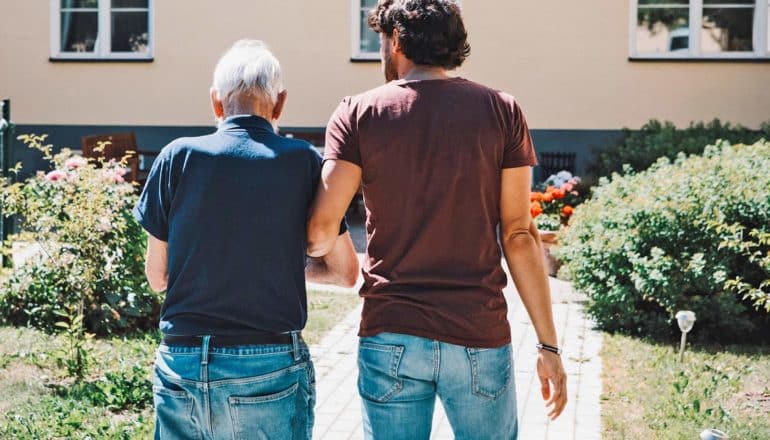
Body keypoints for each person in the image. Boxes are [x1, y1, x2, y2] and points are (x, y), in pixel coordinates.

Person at [306, 1, 567, 438]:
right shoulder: (502, 110)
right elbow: (519, 235)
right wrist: (547, 344)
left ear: (396, 41)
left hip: (391, 331)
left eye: (381, 42)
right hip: (477, 333)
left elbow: (319, 231)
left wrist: (319, 260)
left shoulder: (357, 113)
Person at [134, 40, 359, 440]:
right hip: (267, 365)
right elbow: (345, 273)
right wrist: (276, 263)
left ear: (216, 104)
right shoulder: (303, 161)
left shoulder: (175, 156)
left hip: (181, 366)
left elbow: (158, 276)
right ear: (280, 104)